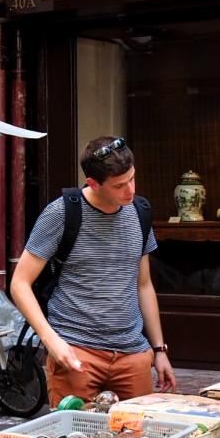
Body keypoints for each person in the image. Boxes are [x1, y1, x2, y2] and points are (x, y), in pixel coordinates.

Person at [11, 136, 177, 406]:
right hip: (76, 350)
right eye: (119, 185)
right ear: (93, 183)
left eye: (132, 178)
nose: (130, 190)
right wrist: (52, 342)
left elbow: (143, 285)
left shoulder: (139, 212)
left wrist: (159, 349)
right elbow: (19, 284)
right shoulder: (61, 213)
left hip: (132, 353)